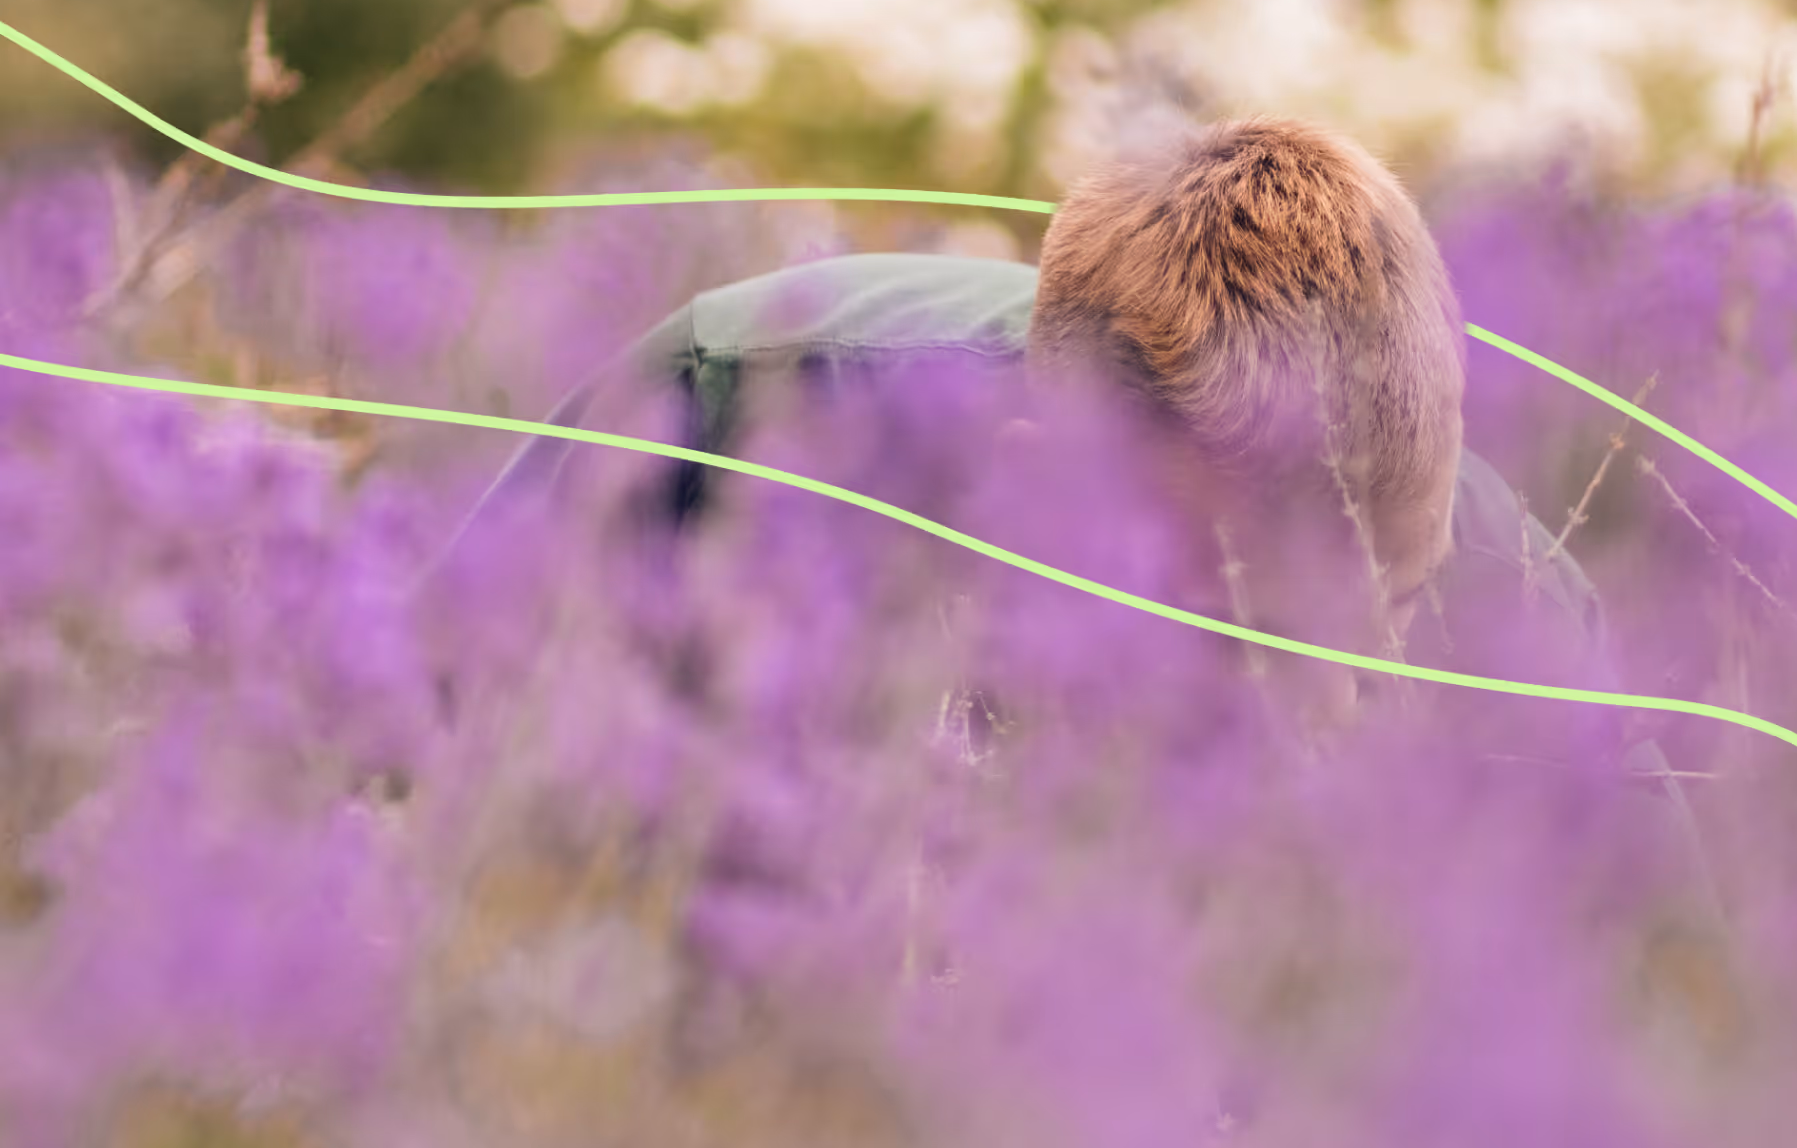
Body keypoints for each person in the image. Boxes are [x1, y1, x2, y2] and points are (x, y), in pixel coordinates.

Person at [434, 116, 1720, 920]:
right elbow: (401, 770)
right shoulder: (738, 411)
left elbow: (1680, 1023)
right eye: (1255, 627)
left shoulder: (1509, 596)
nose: (1342, 683)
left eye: (1394, 602)